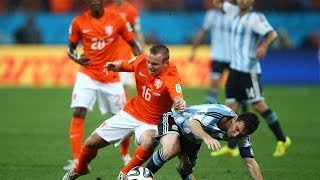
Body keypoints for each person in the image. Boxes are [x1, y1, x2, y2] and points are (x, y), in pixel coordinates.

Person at [62, 44, 186, 180]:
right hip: (131, 113)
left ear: (165, 63)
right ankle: (81, 168)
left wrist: (179, 101)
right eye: (149, 62)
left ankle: (125, 173)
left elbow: (177, 95)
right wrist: (113, 66)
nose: (150, 66)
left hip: (153, 122)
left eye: (155, 64)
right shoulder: (141, 61)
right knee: (91, 142)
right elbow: (124, 64)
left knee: (150, 139)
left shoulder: (171, 75)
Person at [63, 0, 143, 171]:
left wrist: (142, 65)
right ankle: (77, 160)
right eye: (92, 2)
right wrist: (76, 58)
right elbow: (70, 48)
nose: (95, 5)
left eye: (98, 2)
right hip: (87, 74)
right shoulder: (78, 22)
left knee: (123, 116)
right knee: (79, 110)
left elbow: (134, 45)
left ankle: (124, 154)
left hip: (111, 76)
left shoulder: (118, 20)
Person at [211, 0, 291, 157]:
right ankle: (232, 148)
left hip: (249, 71)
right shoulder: (233, 11)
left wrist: (264, 46)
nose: (242, 0)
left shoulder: (256, 17)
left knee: (259, 105)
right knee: (230, 108)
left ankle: (282, 139)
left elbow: (272, 34)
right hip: (234, 70)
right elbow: (217, 3)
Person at [145, 103, 262, 180]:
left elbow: (251, 163)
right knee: (172, 149)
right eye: (237, 129)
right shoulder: (218, 113)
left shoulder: (242, 135)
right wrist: (207, 138)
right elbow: (193, 124)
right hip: (175, 119)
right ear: (235, 118)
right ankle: (144, 175)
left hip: (193, 137)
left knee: (188, 168)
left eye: (241, 134)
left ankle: (183, 170)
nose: (236, 135)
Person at [189, 0, 247, 116]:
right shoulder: (211, 15)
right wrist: (193, 49)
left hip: (234, 57)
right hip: (218, 56)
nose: (217, 4)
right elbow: (203, 32)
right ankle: (206, 113)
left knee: (238, 87)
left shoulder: (237, 12)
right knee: (213, 85)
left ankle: (244, 113)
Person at [105, 0, 146, 164]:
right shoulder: (108, 10)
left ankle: (124, 152)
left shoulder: (131, 10)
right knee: (118, 104)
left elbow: (138, 33)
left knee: (123, 95)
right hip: (110, 58)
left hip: (126, 58)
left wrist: (142, 53)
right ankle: (128, 114)